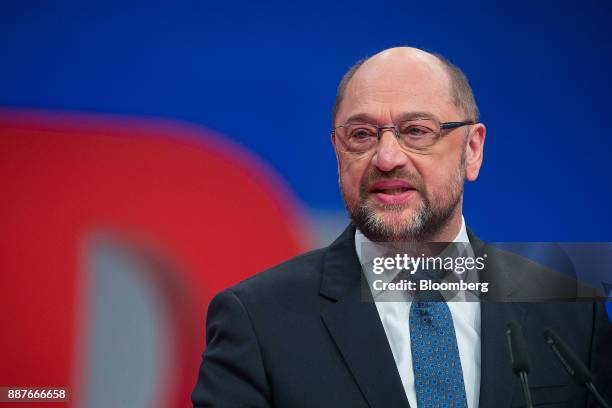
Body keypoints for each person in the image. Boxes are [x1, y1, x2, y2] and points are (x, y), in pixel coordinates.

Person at [192, 47, 611, 407]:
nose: (387, 157)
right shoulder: (257, 322)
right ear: (338, 155)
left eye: (416, 131)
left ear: (473, 150)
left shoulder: (570, 312)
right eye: (361, 134)